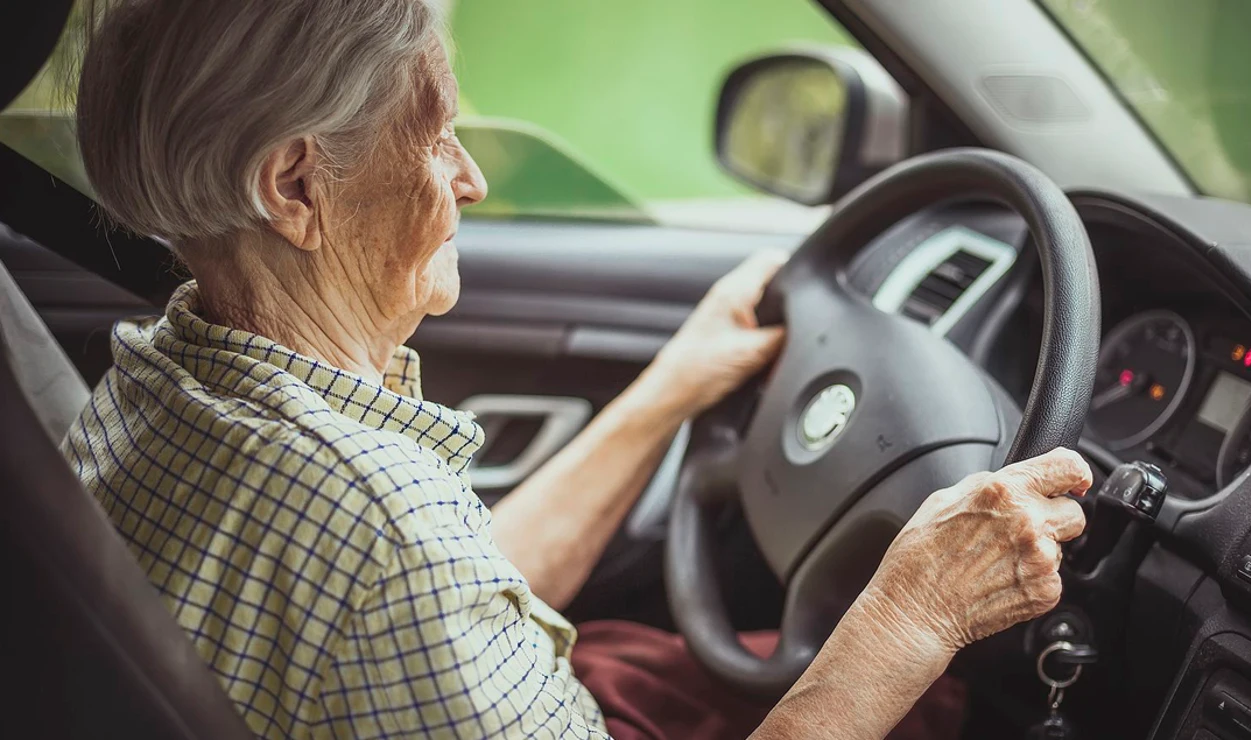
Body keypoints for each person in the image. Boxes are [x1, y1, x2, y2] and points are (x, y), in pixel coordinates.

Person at [61, 1, 1090, 738]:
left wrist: (672, 387)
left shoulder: (151, 382)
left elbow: (439, 597)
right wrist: (914, 613)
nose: (469, 178)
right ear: (295, 188)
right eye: (435, 136)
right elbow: (405, 574)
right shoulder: (383, 531)